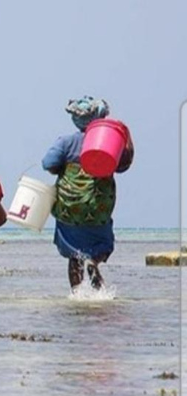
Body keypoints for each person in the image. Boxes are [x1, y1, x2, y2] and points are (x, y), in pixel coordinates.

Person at [42, 96, 134, 291]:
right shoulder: (110, 142)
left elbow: (47, 163)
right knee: (102, 244)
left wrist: (62, 168)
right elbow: (124, 165)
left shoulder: (66, 142)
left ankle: (77, 295)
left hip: (70, 209)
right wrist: (125, 136)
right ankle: (94, 262)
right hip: (98, 209)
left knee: (74, 254)